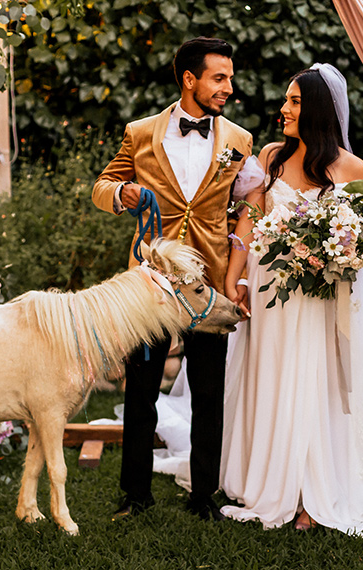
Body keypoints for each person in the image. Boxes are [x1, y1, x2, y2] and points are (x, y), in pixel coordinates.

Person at [219, 64, 363, 534]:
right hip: (269, 294)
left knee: (318, 384)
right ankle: (268, 478)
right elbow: (247, 220)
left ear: (319, 111)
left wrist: (346, 254)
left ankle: (312, 492)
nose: (283, 109)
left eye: (295, 102)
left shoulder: (353, 170)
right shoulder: (268, 158)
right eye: (286, 100)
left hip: (323, 296)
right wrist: (235, 280)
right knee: (271, 375)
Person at [91, 37, 262, 521]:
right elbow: (103, 184)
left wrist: (237, 274)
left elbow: (248, 206)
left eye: (229, 77)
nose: (229, 87)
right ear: (190, 80)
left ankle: (203, 495)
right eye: (219, 78)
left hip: (205, 285)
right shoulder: (141, 133)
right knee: (140, 389)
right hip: (148, 282)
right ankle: (134, 495)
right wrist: (122, 193)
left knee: (209, 390)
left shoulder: (239, 140)